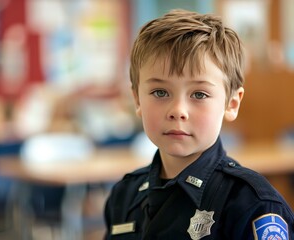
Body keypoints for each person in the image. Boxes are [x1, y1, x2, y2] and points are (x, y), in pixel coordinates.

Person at [104, 9, 294, 240]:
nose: (177, 111)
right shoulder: (124, 195)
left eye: (200, 94)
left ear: (231, 104)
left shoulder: (252, 204)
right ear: (137, 100)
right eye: (160, 92)